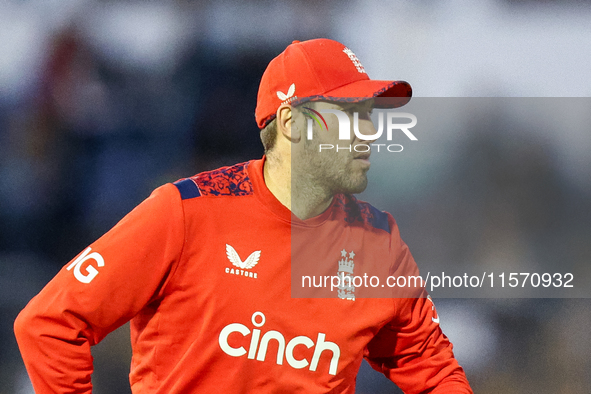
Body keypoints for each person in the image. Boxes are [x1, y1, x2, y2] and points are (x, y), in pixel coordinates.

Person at [14, 38, 472, 393]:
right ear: (292, 123)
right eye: (352, 113)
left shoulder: (378, 245)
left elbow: (433, 372)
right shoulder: (185, 212)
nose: (370, 131)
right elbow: (50, 324)